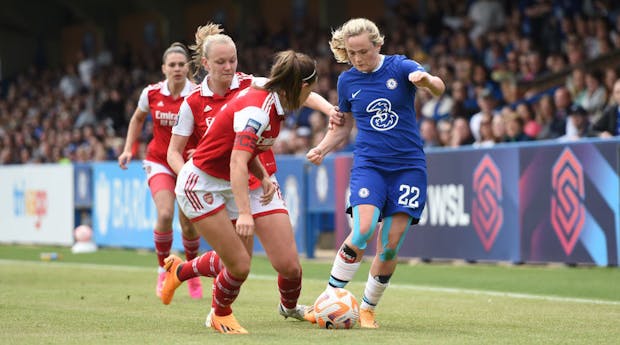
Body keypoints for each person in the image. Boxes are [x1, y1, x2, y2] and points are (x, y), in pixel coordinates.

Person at [162, 23, 339, 323]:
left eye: (233, 60)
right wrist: (187, 181)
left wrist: (329, 110)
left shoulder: (252, 84)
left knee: (289, 266)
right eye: (221, 62)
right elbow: (175, 152)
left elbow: (296, 88)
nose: (229, 67)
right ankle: (214, 307)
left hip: (257, 179)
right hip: (218, 182)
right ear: (205, 64)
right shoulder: (193, 102)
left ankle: (288, 307)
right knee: (237, 264)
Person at [305, 18, 445, 328]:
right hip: (369, 165)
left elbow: (438, 87)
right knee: (363, 230)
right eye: (352, 53)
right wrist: (322, 148)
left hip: (408, 167)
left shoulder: (400, 66)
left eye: (363, 52)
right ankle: (328, 300)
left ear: (378, 45)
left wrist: (427, 81)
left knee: (391, 244)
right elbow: (343, 127)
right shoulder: (347, 82)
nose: (358, 59)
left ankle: (367, 308)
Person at [117, 42, 203, 300]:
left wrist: (199, 152)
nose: (177, 69)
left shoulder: (198, 93)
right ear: (164, 68)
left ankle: (190, 273)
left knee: (188, 225)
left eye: (181, 64)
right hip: (159, 161)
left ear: (188, 67)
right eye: (172, 65)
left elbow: (209, 126)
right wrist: (128, 149)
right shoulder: (151, 93)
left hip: (188, 164)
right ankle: (163, 270)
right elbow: (137, 119)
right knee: (165, 214)